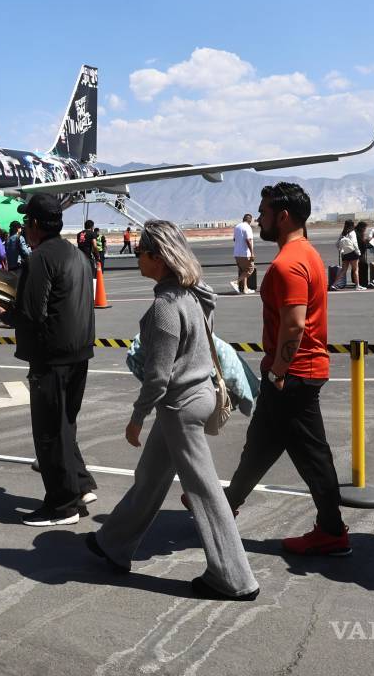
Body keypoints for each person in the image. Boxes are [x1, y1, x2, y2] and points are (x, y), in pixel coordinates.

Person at [88, 220, 259, 600]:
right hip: (196, 397)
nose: (136, 259)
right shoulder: (196, 294)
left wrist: (136, 418)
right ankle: (113, 544)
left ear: (158, 258)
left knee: (204, 491)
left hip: (179, 404)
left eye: (140, 253)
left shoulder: (165, 307)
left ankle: (234, 578)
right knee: (149, 476)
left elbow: (157, 378)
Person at [223, 182, 350, 556]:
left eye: (263, 212)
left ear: (282, 216)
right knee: (262, 443)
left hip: (294, 373)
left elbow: (293, 325)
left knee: (313, 456)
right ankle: (227, 502)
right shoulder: (307, 253)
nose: (259, 218)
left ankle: (332, 531)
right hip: (296, 370)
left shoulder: (287, 264)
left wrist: (278, 371)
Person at [0, 194, 97, 526]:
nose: (23, 228)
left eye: (26, 222)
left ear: (36, 224)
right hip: (79, 353)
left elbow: (31, 312)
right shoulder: (77, 254)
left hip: (51, 357)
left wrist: (2, 311)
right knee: (65, 425)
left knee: (50, 432)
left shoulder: (39, 259)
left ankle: (62, 505)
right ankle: (79, 486)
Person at [333, 220, 362, 290]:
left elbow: (337, 244)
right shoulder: (352, 232)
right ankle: (357, 285)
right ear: (352, 225)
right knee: (355, 269)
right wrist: (358, 252)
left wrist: (341, 250)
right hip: (352, 253)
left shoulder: (343, 233)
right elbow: (354, 243)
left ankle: (334, 284)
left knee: (343, 270)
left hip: (345, 254)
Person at [232, 214, 255, 295]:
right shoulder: (247, 227)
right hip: (245, 253)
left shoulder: (237, 227)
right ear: (250, 220)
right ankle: (236, 282)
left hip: (237, 253)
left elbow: (234, 239)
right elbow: (248, 240)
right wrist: (252, 253)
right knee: (250, 269)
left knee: (243, 271)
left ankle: (245, 288)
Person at [355, 221, 374, 289]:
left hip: (358, 252)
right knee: (363, 266)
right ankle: (363, 283)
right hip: (359, 253)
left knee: (358, 267)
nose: (365, 229)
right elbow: (362, 242)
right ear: (361, 227)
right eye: (365, 228)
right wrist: (368, 240)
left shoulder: (356, 232)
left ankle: (359, 281)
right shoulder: (358, 233)